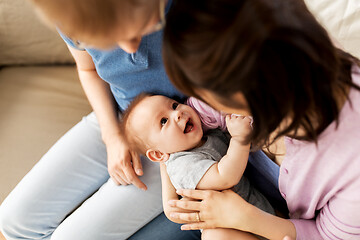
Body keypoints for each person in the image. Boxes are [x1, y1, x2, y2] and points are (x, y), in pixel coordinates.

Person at [0, 0, 200, 239]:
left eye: (135, 29)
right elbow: (88, 69)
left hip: (178, 139)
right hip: (118, 114)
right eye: (109, 40)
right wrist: (113, 135)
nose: (129, 47)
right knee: (13, 221)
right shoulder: (70, 13)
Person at [160, 0, 360, 239]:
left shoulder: (351, 163)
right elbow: (197, 114)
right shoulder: (269, 50)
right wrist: (170, 185)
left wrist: (243, 216)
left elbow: (326, 236)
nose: (199, 101)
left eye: (207, 94)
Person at [120, 93, 274, 240]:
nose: (177, 114)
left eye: (174, 105)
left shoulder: (203, 138)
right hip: (235, 228)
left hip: (254, 212)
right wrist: (240, 138)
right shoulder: (182, 166)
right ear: (158, 155)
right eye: (163, 121)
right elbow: (225, 177)